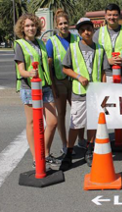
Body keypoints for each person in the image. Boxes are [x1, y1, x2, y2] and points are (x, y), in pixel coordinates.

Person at [60, 17, 110, 169]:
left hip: (95, 93)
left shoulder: (100, 49)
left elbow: (103, 71)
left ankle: (90, 149)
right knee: (75, 124)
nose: (86, 32)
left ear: (93, 30)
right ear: (79, 32)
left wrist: (103, 90)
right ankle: (69, 151)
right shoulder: (73, 48)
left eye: (89, 29)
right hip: (79, 93)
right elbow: (65, 68)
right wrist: (78, 76)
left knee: (93, 123)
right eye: (82, 30)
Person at [14, 14, 59, 168]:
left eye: (33, 25)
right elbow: (21, 69)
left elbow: (46, 66)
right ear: (22, 28)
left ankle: (45, 154)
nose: (30, 28)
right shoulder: (20, 44)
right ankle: (36, 157)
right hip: (29, 88)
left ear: (37, 27)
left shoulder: (41, 43)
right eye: (27, 26)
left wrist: (52, 86)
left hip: (45, 87)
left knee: (53, 121)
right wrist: (29, 73)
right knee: (32, 123)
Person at [93, 3, 122, 145]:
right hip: (106, 74)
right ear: (105, 16)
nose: (112, 17)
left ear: (118, 16)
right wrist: (107, 60)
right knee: (107, 106)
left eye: (114, 14)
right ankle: (104, 135)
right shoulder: (99, 33)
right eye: (109, 15)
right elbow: (94, 52)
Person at [46, 9, 86, 155]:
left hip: (75, 80)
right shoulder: (52, 42)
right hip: (60, 81)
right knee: (62, 113)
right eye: (61, 24)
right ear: (57, 25)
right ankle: (65, 143)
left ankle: (81, 140)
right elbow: (49, 66)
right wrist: (52, 86)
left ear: (69, 24)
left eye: (65, 23)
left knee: (79, 112)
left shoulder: (77, 39)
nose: (63, 26)